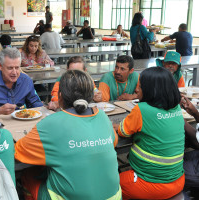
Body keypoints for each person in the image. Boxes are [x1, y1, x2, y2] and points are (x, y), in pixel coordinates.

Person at [15, 70, 121, 200]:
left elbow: (20, 151)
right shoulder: (103, 117)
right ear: (90, 96)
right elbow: (113, 142)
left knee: (28, 174)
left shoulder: (51, 123)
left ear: (60, 96)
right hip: (113, 197)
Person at [114, 67, 185, 200]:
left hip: (150, 185)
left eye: (140, 86)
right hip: (178, 181)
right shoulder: (176, 108)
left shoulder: (142, 109)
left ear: (151, 90)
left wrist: (116, 126)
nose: (136, 90)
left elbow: (123, 131)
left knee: (110, 184)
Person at [0, 48, 43, 117]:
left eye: (17, 68)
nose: (14, 73)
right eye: (10, 68)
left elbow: (35, 103)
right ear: (0, 66)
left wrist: (44, 108)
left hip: (21, 123)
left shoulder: (26, 81)